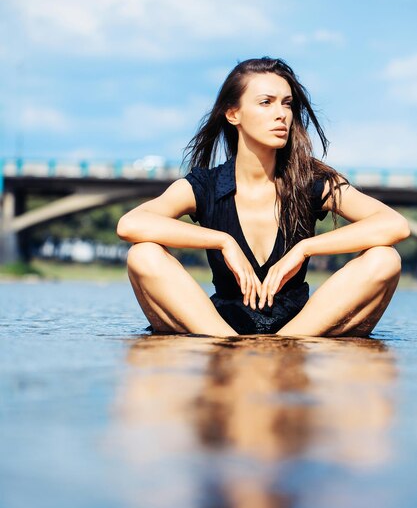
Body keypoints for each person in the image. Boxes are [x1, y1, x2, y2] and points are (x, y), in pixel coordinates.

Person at [117, 57, 410, 338]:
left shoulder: (311, 181)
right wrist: (222, 241)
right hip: (218, 327)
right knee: (143, 254)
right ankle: (227, 344)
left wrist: (305, 248)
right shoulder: (205, 185)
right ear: (233, 114)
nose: (281, 113)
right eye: (266, 102)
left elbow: (394, 225)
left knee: (385, 259)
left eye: (287, 104)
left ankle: (285, 343)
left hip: (301, 326)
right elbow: (130, 224)